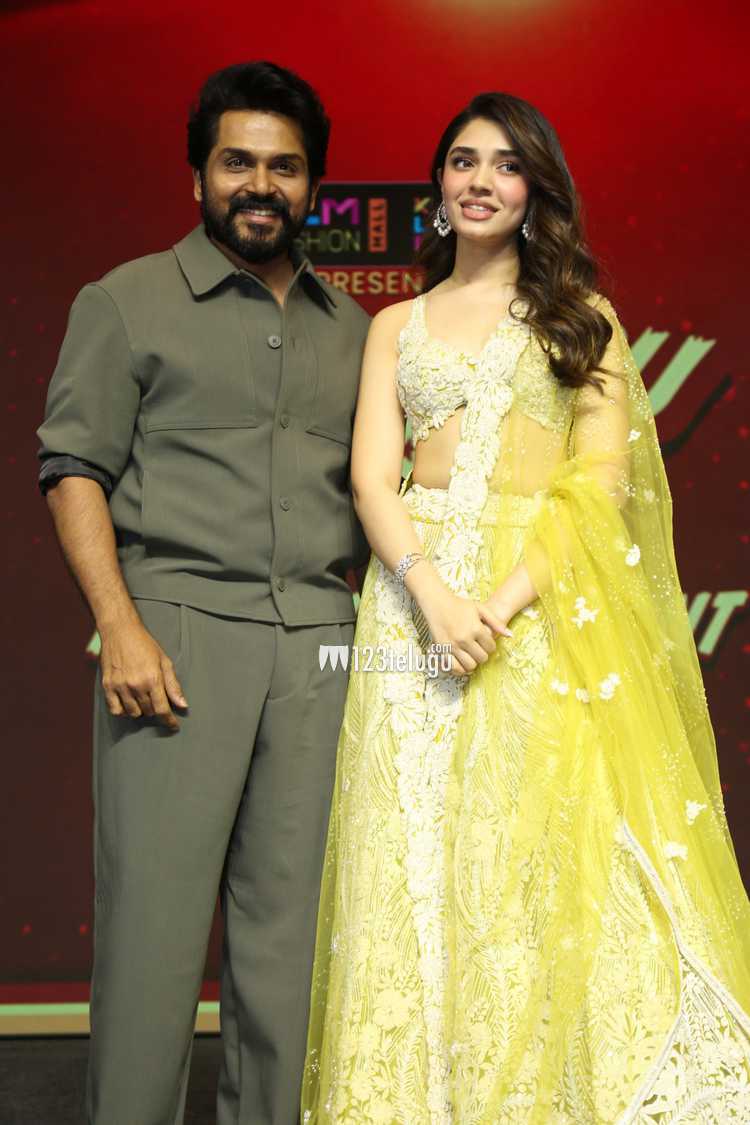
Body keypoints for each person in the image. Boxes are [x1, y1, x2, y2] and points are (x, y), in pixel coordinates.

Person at [301, 92, 750, 1123]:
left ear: (535, 190)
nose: (481, 181)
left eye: (506, 165)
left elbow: (601, 485)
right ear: (438, 183)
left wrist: (493, 608)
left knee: (536, 846)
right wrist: (432, 595)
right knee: (410, 848)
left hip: (536, 608)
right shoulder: (395, 324)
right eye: (464, 161)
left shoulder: (580, 319)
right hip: (410, 602)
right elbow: (372, 478)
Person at [37, 61, 369, 1125]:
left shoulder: (356, 330)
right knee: (152, 941)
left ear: (312, 185)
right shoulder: (125, 301)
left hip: (319, 648)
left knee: (291, 950)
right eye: (238, 162)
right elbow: (73, 469)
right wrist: (119, 625)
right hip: (173, 644)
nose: (260, 185)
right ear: (198, 177)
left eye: (284, 167)